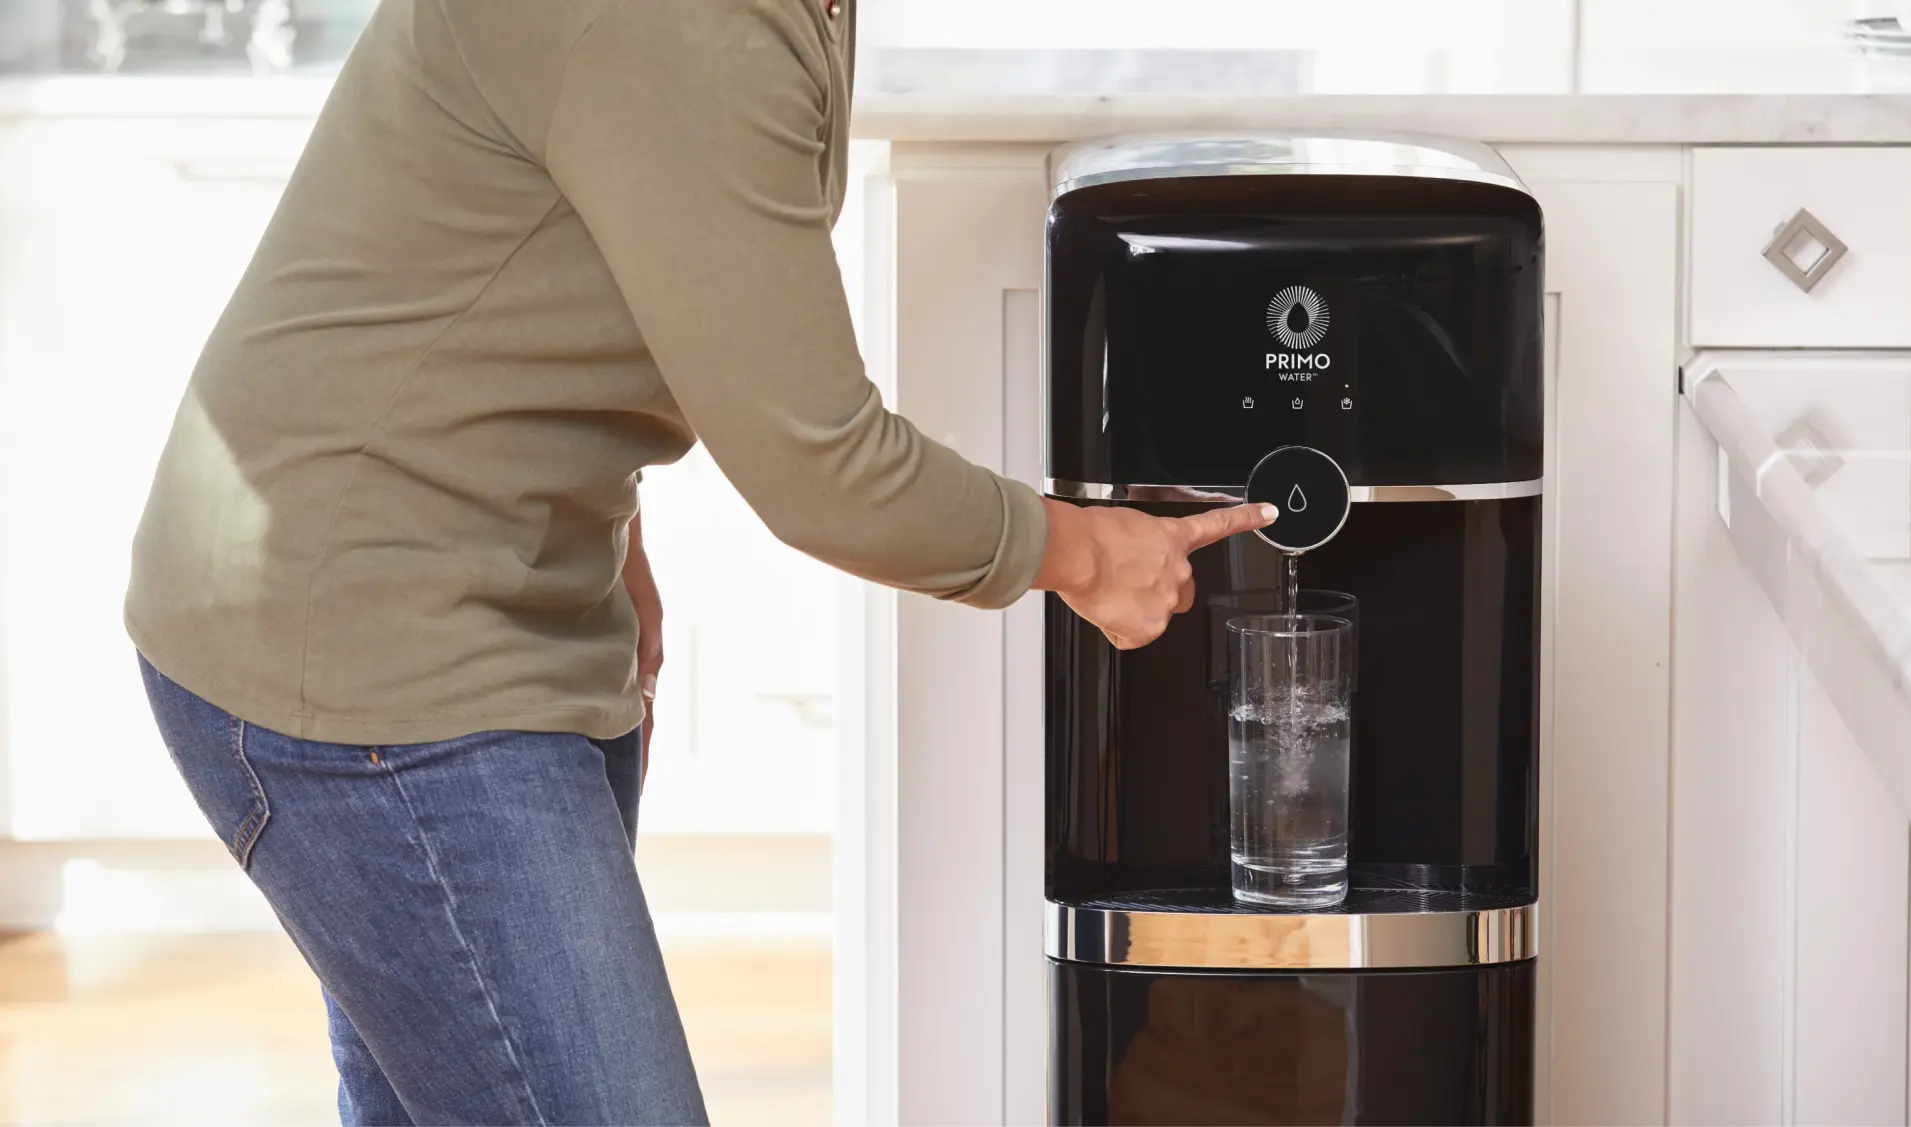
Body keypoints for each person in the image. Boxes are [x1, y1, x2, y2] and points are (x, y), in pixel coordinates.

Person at [122, 0, 1276, 1121]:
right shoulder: (688, 23)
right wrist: (1075, 548)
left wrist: (603, 521)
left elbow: (534, 237)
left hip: (484, 596)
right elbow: (824, 466)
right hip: (368, 650)